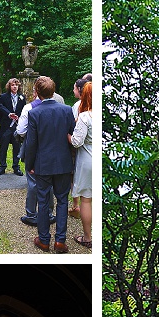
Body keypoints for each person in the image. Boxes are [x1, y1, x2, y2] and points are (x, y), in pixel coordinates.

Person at [21, 76, 76, 253]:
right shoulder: (67, 110)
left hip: (43, 164)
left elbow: (31, 143)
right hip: (63, 163)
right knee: (62, 201)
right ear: (53, 91)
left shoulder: (34, 113)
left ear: (37, 92)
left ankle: (44, 240)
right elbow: (71, 137)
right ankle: (60, 241)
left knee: (43, 202)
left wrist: (29, 164)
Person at [15, 93, 55, 228]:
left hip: (34, 149)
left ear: (37, 91)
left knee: (33, 182)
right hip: (51, 149)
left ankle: (31, 214)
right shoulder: (61, 106)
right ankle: (49, 213)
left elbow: (20, 131)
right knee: (48, 182)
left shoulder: (29, 108)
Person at [69, 82, 92, 248]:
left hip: (87, 159)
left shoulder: (86, 116)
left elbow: (77, 142)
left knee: (86, 199)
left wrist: (67, 134)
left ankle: (87, 237)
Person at [0, 78, 26, 176]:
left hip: (17, 126)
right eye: (13, 85)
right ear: (9, 86)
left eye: (16, 85)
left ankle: (16, 167)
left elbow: (23, 111)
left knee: (17, 147)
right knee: (3, 147)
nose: (15, 87)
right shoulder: (4, 97)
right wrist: (3, 121)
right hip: (6, 126)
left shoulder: (22, 97)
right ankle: (2, 167)